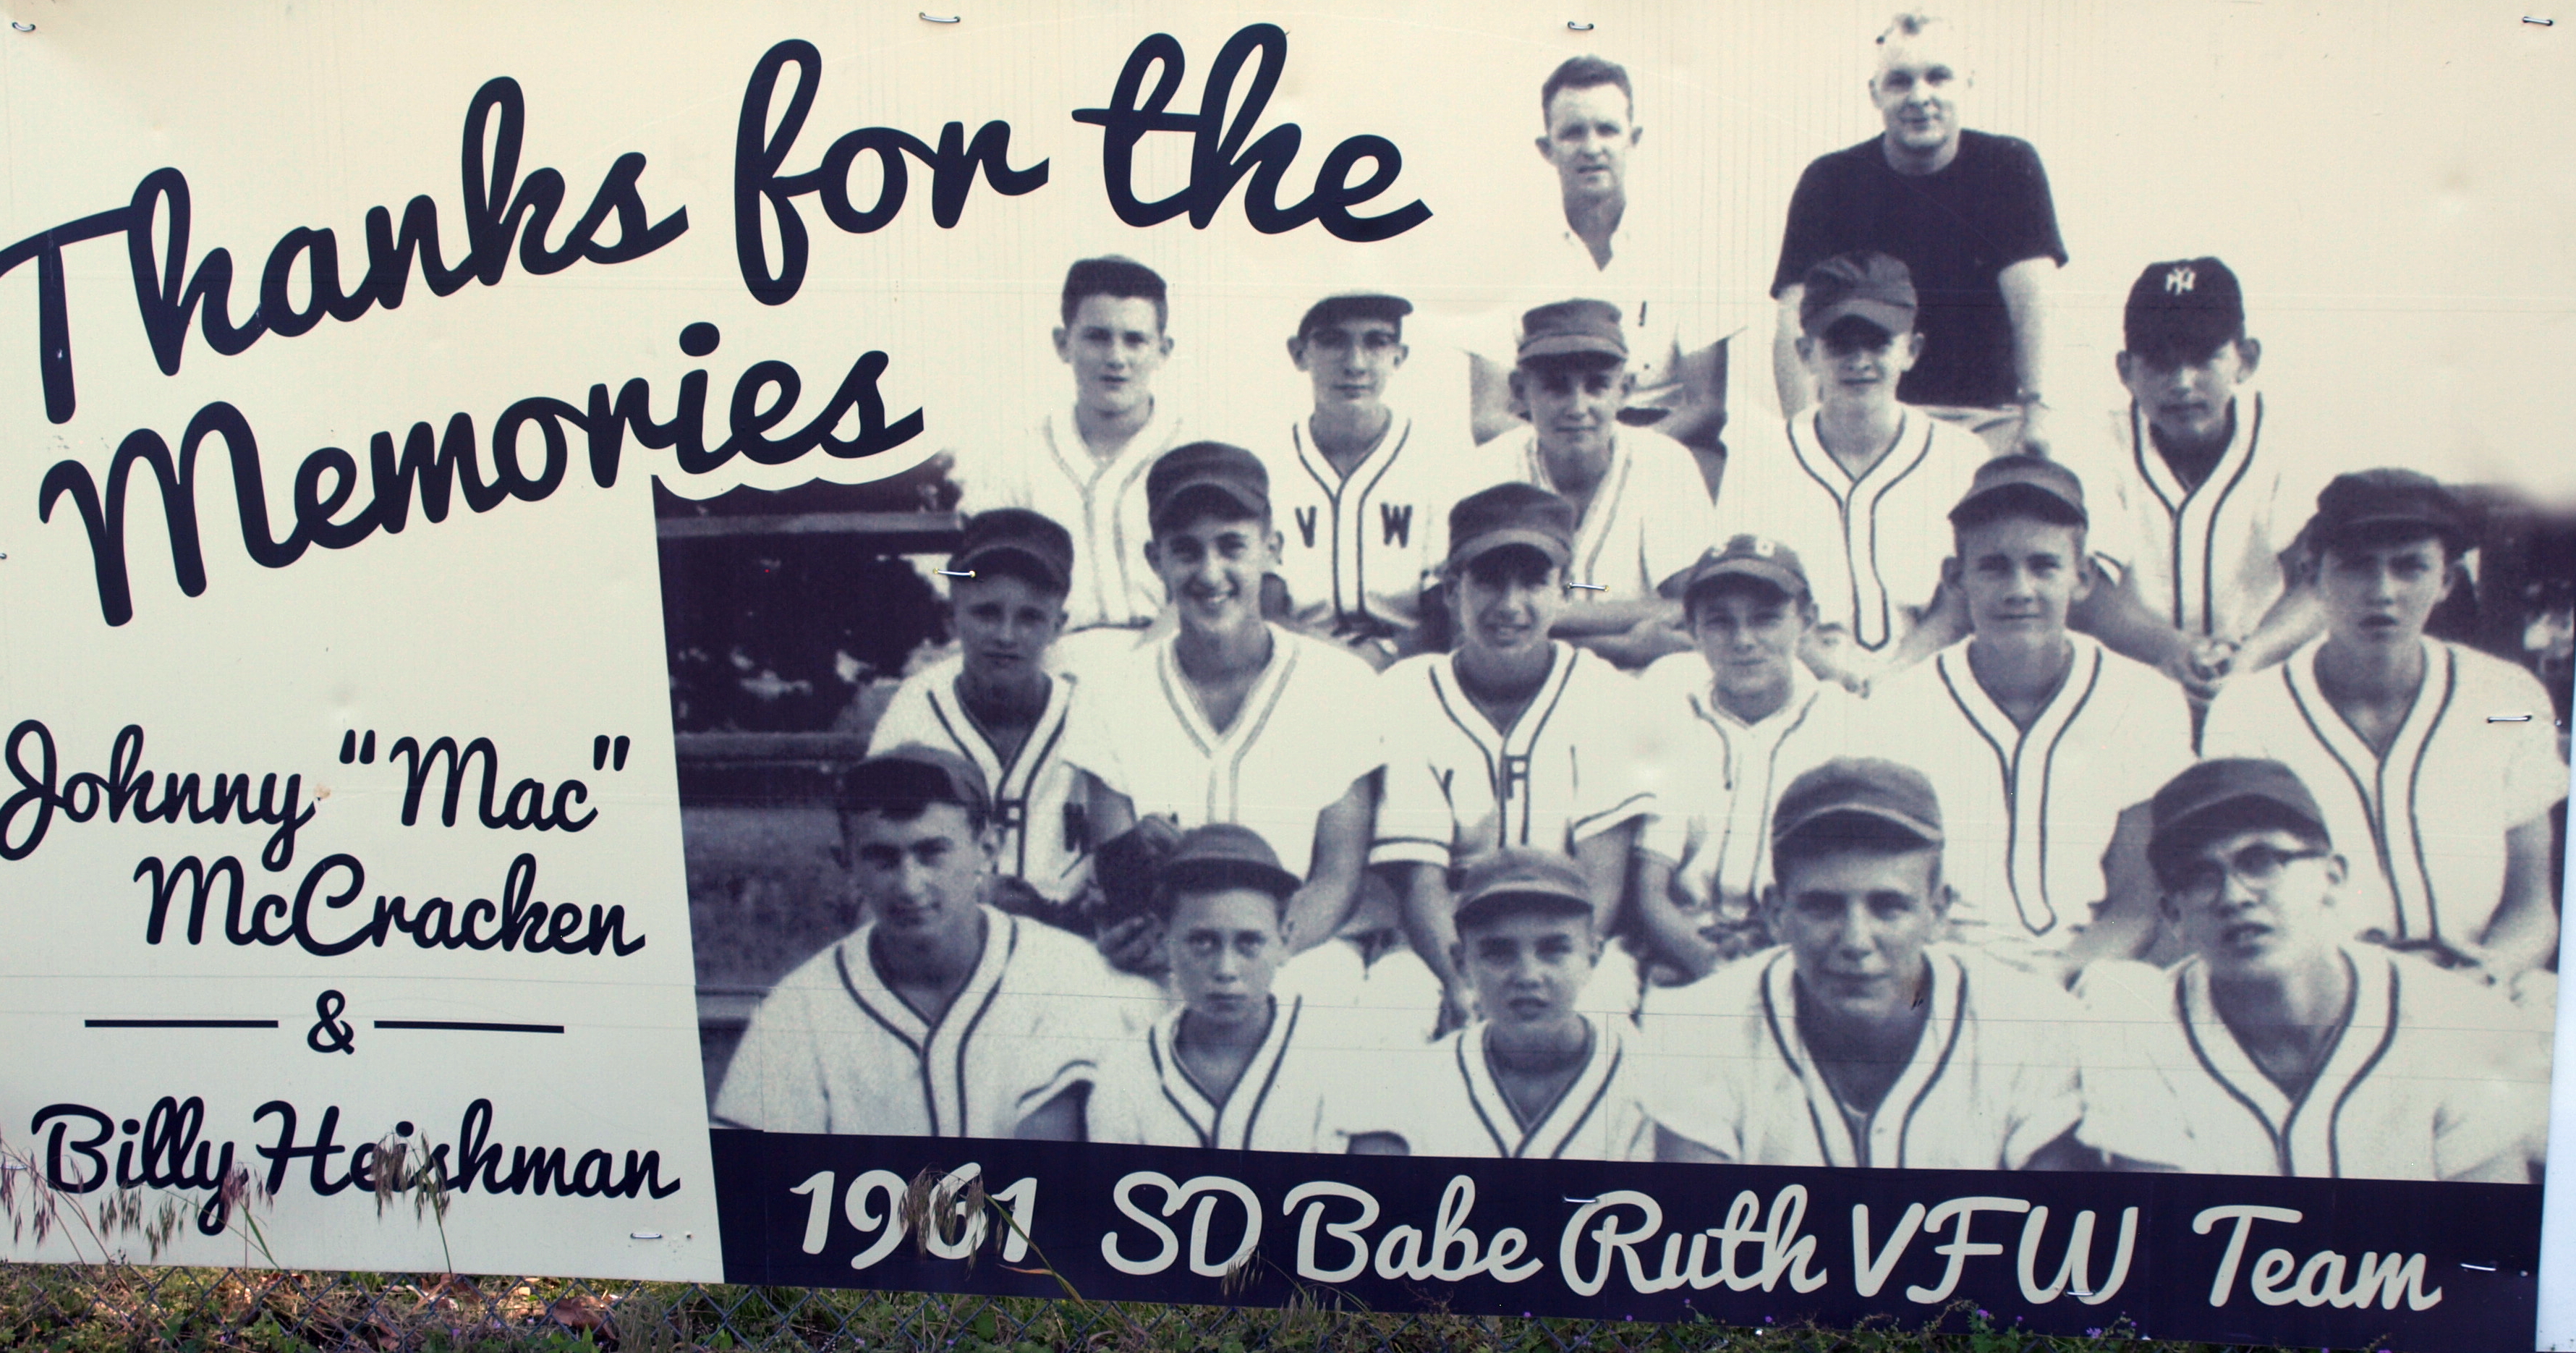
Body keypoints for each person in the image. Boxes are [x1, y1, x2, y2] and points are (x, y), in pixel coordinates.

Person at [2075, 758, 2549, 1180]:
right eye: (2199, 877)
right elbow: (2167, 1246)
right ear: (2173, 915)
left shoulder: (2452, 1022)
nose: (2234, 895)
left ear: (2332, 876)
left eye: (2260, 861)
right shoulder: (2139, 1033)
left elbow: (2485, 1256)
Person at [2202, 470, 2567, 993]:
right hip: (2315, 994)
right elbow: (2243, 896)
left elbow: (2530, 907)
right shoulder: (2249, 711)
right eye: (2356, 567)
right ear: (2313, 576)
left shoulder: (2507, 701)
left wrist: (2490, 971)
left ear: (2446, 580)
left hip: (2481, 989)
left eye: (2409, 567)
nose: (2382, 592)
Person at [1643, 758, 2091, 1168]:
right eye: (1823, 906)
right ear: (1776, 912)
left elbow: (2053, 1243)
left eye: (1888, 906)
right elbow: (1700, 1238)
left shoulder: (2033, 1025)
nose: (1856, 941)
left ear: (1938, 910)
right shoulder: (1700, 1024)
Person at [1854, 456, 2193, 972]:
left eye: (2043, 566)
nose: (2018, 590)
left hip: (2093, 969)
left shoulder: (2144, 699)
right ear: (1955, 579)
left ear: (2081, 578)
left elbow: (2136, 905)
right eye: (1993, 567)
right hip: (1938, 972)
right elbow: (1890, 895)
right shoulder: (1900, 705)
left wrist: (2052, 982)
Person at [710, 748, 1156, 1137]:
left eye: (932, 853)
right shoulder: (801, 1010)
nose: (909, 885)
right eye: (883, 858)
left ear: (987, 848)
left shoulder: (1071, 978)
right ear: (846, 863)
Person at [1060, 441, 1382, 967]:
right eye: (1186, 550)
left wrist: (1255, 954)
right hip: (1171, 954)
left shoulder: (1340, 684)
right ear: (1154, 560)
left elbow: (1337, 879)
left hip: (1302, 951)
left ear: (1272, 549)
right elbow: (1122, 882)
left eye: (1231, 546)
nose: (1209, 573)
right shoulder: (1110, 689)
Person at [1374, 483, 1659, 1021]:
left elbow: (1603, 879)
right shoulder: (1405, 693)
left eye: (1531, 582)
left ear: (1562, 591)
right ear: (1452, 589)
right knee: (1391, 1012)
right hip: (1440, 943)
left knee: (1597, 1013)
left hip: (1570, 940)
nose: (1509, 606)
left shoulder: (1607, 694)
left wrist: (1541, 975)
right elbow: (1420, 879)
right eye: (1488, 581)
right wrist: (1466, 980)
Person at [1770, 12, 2065, 454]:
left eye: (1938, 77)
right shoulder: (1830, 180)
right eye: (1900, 81)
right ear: (1875, 93)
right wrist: (1799, 435)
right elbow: (1794, 318)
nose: (1919, 96)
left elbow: (2036, 304)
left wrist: (2039, 416)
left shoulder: (2008, 166)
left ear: (1966, 83)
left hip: (1985, 421)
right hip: (1872, 423)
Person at [2061, 258, 2329, 702]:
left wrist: (2249, 657)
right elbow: (2087, 593)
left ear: (2245, 360)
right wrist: (2174, 650)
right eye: (2160, 362)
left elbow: (2320, 582)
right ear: (2126, 370)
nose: (2182, 383)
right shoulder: (2095, 442)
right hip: (2129, 687)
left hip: (2263, 680)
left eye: (2203, 357)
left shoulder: (2288, 440)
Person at [1468, 55, 1758, 465]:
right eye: (1572, 133)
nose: (1591, 148)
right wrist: (1572, 455)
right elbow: (1488, 416)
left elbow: (1706, 408)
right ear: (1547, 149)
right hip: (1546, 452)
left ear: (1633, 138)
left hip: (1662, 451)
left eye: (1607, 130)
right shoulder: (1510, 254)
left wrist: (1620, 461)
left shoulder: (1688, 248)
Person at [1717, 253, 1988, 690]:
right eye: (1839, 343)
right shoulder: (1761, 457)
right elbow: (1747, 596)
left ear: (1911, 351)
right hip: (1800, 682)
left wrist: (1895, 675)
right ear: (1806, 353)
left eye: (1878, 342)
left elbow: (1962, 600)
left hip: (1933, 678)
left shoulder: (1962, 456)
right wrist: (1835, 677)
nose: (1859, 361)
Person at [1032, 824, 1359, 1150]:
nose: (1226, 970)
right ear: (1165, 938)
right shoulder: (1126, 1073)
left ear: (1285, 939)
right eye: (1203, 941)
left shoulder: (1332, 1058)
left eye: (1249, 942)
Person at [1633, 537, 1867, 980]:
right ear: (1693, 628)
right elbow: (1649, 893)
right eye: (1720, 623)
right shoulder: (1672, 709)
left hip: (1798, 949)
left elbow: (1844, 883)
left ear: (1807, 620)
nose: (1743, 641)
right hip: (1681, 944)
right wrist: (1712, 972)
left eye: (1766, 620)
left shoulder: (1843, 725)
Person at [1344, 849, 1655, 1160]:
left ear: (1593, 956)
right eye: (1498, 952)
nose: (1528, 976)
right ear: (1462, 963)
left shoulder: (1650, 1082)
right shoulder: (1412, 1085)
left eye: (1553, 949)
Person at [956, 256, 1192, 657]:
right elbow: (974, 578)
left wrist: (1140, 667)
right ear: (1063, 344)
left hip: (1177, 653)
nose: (1116, 357)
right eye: (1098, 337)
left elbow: (1210, 587)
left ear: (1163, 350)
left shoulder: (1194, 455)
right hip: (1045, 658)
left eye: (1135, 340)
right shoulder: (1015, 459)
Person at [867, 509, 1090, 917]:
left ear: (1058, 626)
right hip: (942, 945)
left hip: (1069, 947)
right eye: (986, 613)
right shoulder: (916, 711)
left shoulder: (1090, 714)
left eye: (1030, 617)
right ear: (953, 615)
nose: (1005, 636)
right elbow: (874, 866)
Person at [1498, 299, 1717, 669]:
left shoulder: (1665, 463)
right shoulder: (1487, 469)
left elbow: (1698, 607)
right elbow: (1471, 625)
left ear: (1626, 389)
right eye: (1556, 387)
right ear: (1521, 390)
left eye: (1597, 386)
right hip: (1523, 682)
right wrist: (1625, 646)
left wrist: (1546, 616)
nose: (1577, 406)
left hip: (1641, 686)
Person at [1264, 292, 1474, 666]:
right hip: (1298, 666)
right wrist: (1335, 660)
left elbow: (1448, 612)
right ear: (1299, 354)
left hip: (1412, 666)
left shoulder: (1440, 461)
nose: (1356, 364)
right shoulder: (1267, 463)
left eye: (1376, 342)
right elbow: (1264, 607)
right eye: (1333, 341)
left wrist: (1380, 656)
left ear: (1399, 356)